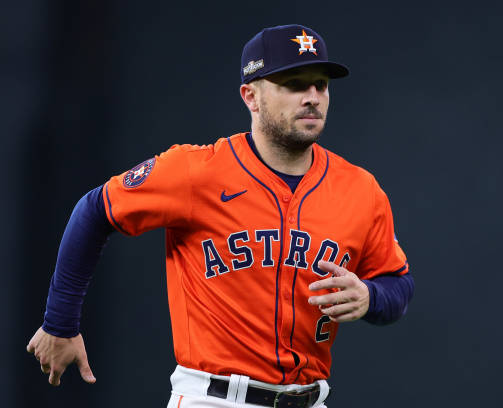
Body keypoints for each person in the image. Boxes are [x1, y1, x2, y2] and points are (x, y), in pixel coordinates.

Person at [26, 24, 414, 408]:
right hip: (214, 399)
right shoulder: (196, 172)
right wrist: (60, 323)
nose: (313, 97)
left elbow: (397, 282)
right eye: (294, 84)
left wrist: (371, 296)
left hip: (310, 399)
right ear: (251, 96)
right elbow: (94, 210)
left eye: (321, 84)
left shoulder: (360, 189)